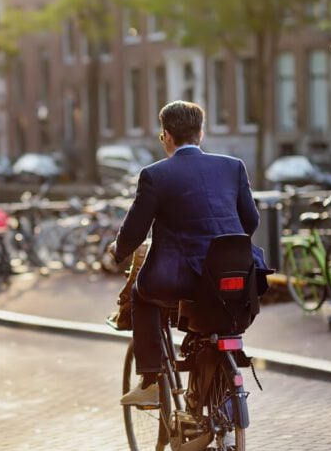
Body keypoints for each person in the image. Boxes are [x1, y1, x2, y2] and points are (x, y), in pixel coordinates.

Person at [109, 100, 267, 407]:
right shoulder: (233, 167)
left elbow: (135, 232)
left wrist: (117, 252)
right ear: (201, 133)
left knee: (143, 294)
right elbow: (251, 221)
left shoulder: (155, 175)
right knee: (216, 305)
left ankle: (152, 380)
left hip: (182, 277)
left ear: (166, 136)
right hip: (235, 272)